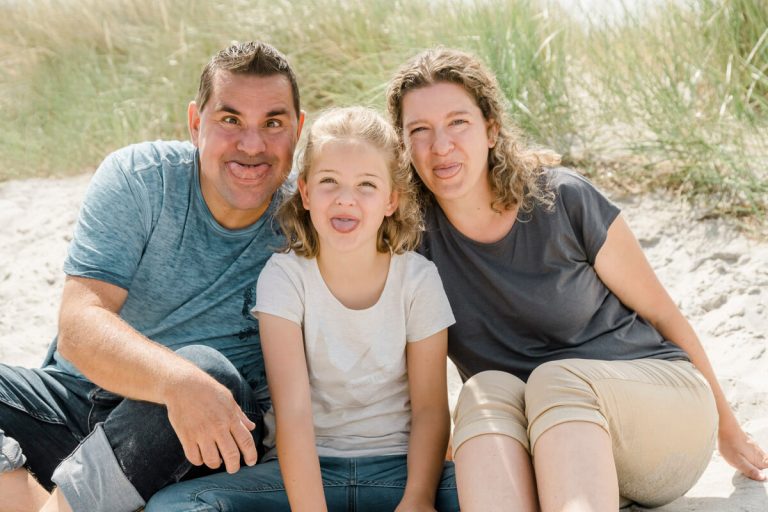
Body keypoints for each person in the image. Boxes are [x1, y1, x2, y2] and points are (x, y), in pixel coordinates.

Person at [386, 47, 768, 512]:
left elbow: (663, 314)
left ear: (491, 128)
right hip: (548, 447)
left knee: (554, 379)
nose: (440, 145)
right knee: (484, 390)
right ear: (403, 145)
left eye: (457, 122)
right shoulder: (414, 243)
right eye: (419, 131)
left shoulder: (562, 199)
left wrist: (728, 429)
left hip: (657, 419)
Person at [0, 41, 305, 512]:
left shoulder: (309, 223)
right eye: (230, 120)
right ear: (195, 123)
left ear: (298, 130)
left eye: (273, 122)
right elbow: (80, 326)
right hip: (75, 403)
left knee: (207, 373)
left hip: (193, 438)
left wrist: (187, 386)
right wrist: (173, 380)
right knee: (189, 375)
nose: (252, 144)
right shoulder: (140, 180)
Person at [146, 106, 459, 511]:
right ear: (307, 192)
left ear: (391, 200)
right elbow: (293, 413)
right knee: (176, 506)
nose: (346, 199)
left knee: (499, 491)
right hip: (305, 474)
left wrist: (418, 499)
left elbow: (432, 408)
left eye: (366, 184)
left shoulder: (418, 279)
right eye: (330, 181)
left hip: (400, 471)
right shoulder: (285, 277)